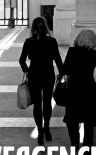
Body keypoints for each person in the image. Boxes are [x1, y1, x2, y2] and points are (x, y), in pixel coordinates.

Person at [19, 16, 64, 145]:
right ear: (45, 27)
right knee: (47, 103)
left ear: (33, 28)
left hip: (34, 75)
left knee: (37, 104)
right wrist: (63, 74)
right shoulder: (52, 41)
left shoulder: (29, 42)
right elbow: (58, 60)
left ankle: (40, 132)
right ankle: (47, 128)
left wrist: (26, 70)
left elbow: (21, 60)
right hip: (48, 74)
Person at [63, 29, 96, 155]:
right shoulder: (95, 55)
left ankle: (75, 143)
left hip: (73, 87)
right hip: (88, 88)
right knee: (88, 119)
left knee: (72, 117)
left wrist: (63, 89)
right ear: (93, 40)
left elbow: (64, 71)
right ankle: (87, 148)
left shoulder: (72, 52)